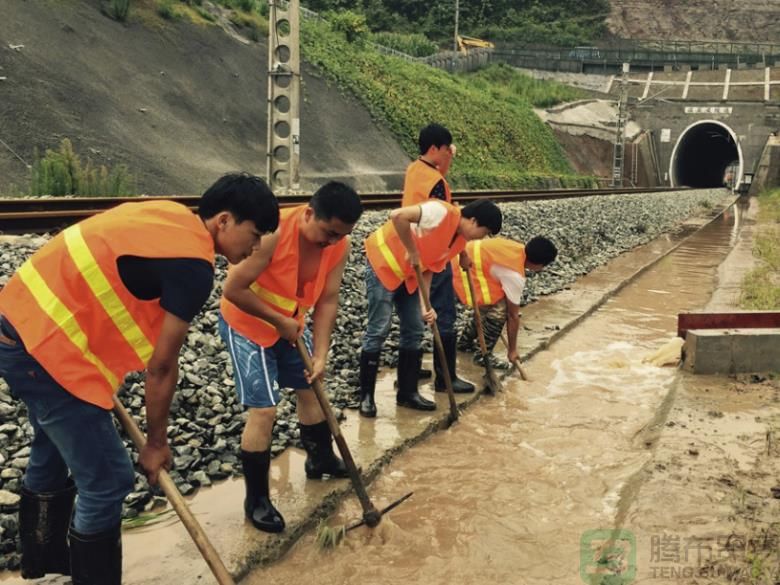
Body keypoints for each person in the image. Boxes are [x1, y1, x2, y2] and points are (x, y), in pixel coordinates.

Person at [0, 173, 279, 584]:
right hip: (44, 351)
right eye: (253, 235)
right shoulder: (193, 267)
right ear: (223, 221)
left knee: (52, 447)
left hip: (20, 319)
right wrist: (156, 444)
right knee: (109, 480)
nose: (256, 248)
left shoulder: (169, 215)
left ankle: (42, 567)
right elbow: (162, 367)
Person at [219, 181, 363, 534]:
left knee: (312, 387)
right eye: (327, 233)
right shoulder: (271, 234)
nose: (331, 242)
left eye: (339, 236)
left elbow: (328, 299)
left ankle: (321, 459)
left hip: (290, 324)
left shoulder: (338, 245)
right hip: (248, 324)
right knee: (265, 409)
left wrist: (322, 352)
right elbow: (233, 289)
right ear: (310, 213)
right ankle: (257, 501)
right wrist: (278, 320)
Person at [358, 198, 502, 418]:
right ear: (473, 221)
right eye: (484, 232)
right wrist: (411, 249)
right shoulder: (440, 213)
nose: (481, 238)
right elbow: (398, 215)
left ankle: (407, 393)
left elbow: (429, 268)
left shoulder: (458, 242)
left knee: (415, 329)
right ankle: (366, 397)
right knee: (379, 329)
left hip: (409, 276)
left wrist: (426, 305)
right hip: (383, 265)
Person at [401, 123, 474, 394]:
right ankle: (446, 377)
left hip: (411, 249)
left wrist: (447, 157)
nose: (449, 154)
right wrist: (462, 252)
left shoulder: (415, 170)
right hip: (434, 253)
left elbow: (438, 170)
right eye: (446, 150)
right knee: (442, 313)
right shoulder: (437, 184)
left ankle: (410, 373)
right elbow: (450, 223)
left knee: (415, 315)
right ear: (435, 149)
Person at [454, 236, 558, 368]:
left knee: (493, 299)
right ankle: (483, 355)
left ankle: (464, 342)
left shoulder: (517, 249)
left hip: (462, 258)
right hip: (461, 270)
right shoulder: (514, 275)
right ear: (538, 265)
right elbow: (512, 316)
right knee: (501, 310)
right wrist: (512, 350)